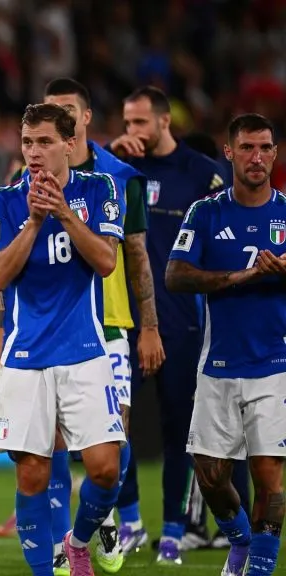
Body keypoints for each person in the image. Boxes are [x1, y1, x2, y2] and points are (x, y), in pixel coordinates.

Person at [0, 78, 163, 573]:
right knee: (32, 472)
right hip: (26, 356)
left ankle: (79, 539)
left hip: (87, 349)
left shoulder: (98, 188)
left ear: (69, 143)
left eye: (44, 141)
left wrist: (62, 212)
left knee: (107, 467)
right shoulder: (4, 200)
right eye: (27, 142)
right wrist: (31, 222)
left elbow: (107, 261)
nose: (35, 152)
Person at [107, 86, 236, 562]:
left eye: (140, 122)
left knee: (178, 433)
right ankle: (132, 522)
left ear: (164, 122)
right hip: (126, 322)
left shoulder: (203, 176)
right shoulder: (115, 173)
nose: (132, 132)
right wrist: (109, 160)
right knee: (114, 430)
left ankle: (173, 532)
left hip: (184, 326)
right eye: (127, 122)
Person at [165, 112, 286, 576]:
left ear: (274, 154)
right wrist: (240, 276)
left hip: (274, 364)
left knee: (269, 478)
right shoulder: (206, 212)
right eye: (248, 148)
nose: (257, 157)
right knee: (211, 475)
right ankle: (238, 538)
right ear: (230, 153)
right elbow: (175, 275)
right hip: (217, 363)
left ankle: (257, 568)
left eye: (266, 148)